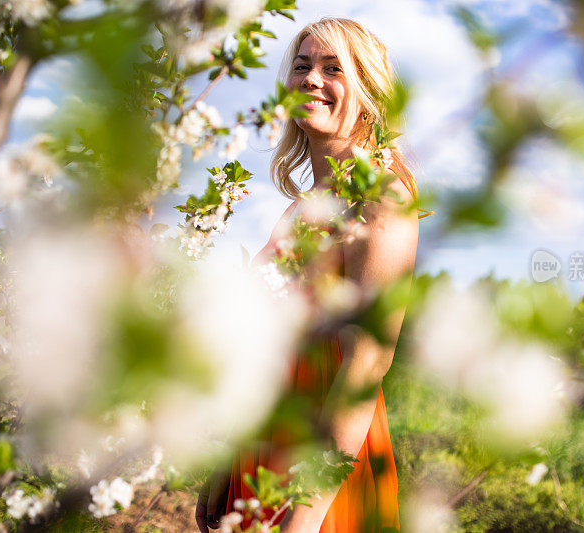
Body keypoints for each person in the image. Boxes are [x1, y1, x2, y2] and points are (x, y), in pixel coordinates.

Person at [196, 17, 419, 533]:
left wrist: (308, 513)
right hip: (261, 444)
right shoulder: (302, 207)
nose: (311, 79)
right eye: (302, 66)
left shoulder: (382, 196)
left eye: (332, 68)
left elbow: (365, 362)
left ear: (366, 88)